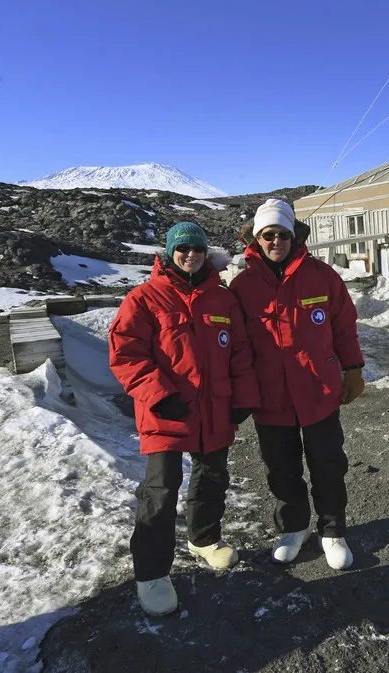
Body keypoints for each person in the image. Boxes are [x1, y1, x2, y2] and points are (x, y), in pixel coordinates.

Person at [109, 221, 260, 617]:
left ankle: (204, 539)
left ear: (206, 252)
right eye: (182, 248)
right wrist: (159, 395)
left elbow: (240, 352)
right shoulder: (144, 298)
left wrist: (242, 397)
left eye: (197, 248)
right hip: (167, 411)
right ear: (169, 252)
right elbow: (126, 353)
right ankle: (151, 573)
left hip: (215, 408)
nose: (190, 254)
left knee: (213, 476)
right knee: (160, 489)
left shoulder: (223, 299)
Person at [229, 198, 365, 570]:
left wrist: (353, 368)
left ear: (294, 236)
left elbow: (344, 327)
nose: (276, 241)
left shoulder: (322, 276)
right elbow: (236, 347)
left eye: (283, 234)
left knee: (328, 463)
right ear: (257, 239)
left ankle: (332, 531)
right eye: (268, 235)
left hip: (318, 390)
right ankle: (294, 528)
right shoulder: (242, 286)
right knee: (281, 467)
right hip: (270, 395)